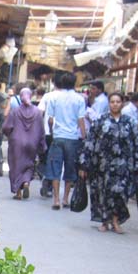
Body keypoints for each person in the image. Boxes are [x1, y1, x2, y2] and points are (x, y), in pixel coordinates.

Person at [78, 92, 138, 233]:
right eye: (112, 102)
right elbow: (91, 141)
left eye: (118, 101)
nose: (115, 104)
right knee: (103, 192)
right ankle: (105, 220)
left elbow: (137, 143)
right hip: (103, 165)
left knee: (120, 193)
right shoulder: (100, 121)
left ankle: (115, 220)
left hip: (123, 165)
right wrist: (84, 163)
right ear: (109, 104)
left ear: (122, 103)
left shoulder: (130, 122)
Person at [45, 72, 86, 210]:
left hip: (58, 136)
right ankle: (65, 199)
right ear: (74, 83)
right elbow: (81, 120)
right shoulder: (79, 99)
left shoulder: (54, 98)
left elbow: (50, 119)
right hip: (72, 138)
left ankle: (56, 199)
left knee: (55, 167)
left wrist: (51, 131)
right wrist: (84, 137)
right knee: (70, 168)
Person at [2, 87, 46, 200]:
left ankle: (18, 192)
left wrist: (9, 135)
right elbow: (41, 130)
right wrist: (42, 144)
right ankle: (26, 182)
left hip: (17, 143)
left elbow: (7, 127)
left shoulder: (15, 111)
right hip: (32, 143)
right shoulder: (37, 112)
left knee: (16, 166)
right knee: (29, 165)